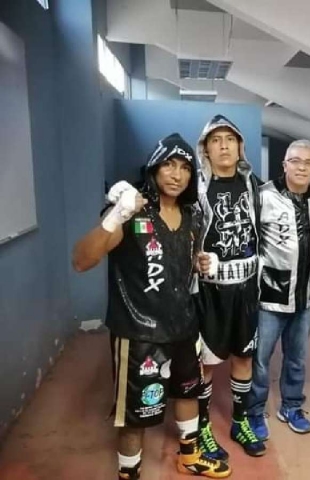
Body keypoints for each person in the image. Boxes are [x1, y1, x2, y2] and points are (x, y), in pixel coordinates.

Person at [72, 133, 230, 479]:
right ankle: (129, 474)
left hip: (184, 326)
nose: (176, 174)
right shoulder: (132, 210)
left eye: (185, 167)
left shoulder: (192, 216)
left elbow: (183, 262)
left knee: (188, 391)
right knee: (134, 415)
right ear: (154, 168)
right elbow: (82, 260)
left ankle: (189, 456)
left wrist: (202, 262)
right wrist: (116, 215)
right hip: (138, 332)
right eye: (169, 165)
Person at [245, 139, 310, 444]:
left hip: (305, 296)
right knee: (260, 359)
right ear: (284, 164)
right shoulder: (264, 196)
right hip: (270, 295)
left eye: (309, 162)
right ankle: (253, 411)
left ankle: (292, 407)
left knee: (297, 358)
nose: (302, 167)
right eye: (296, 161)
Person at [192, 114, 265, 459]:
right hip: (209, 292)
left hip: (246, 289)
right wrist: (194, 257)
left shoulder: (253, 185)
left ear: (240, 147)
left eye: (230, 139)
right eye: (216, 140)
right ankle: (203, 426)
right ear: (205, 149)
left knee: (244, 355)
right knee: (204, 363)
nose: (224, 145)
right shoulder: (195, 188)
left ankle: (240, 421)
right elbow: (177, 233)